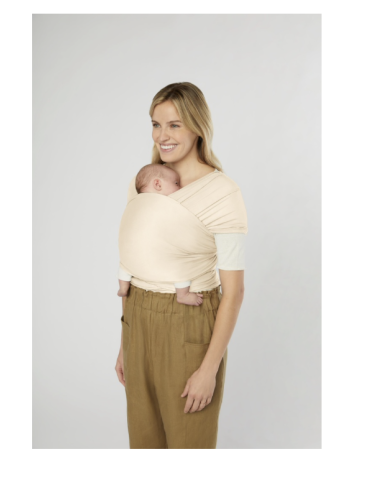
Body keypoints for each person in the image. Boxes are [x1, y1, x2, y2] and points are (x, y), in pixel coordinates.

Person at [115, 82, 248, 449]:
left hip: (188, 321)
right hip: (137, 318)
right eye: (156, 125)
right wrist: (125, 343)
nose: (163, 135)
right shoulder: (144, 183)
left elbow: (234, 292)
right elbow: (135, 259)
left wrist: (209, 369)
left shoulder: (222, 193)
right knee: (144, 444)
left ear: (198, 127)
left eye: (174, 125)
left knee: (189, 447)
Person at [117, 163, 204, 306]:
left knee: (125, 263)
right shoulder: (167, 205)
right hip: (160, 256)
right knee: (181, 265)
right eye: (176, 183)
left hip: (134, 260)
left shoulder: (136, 204)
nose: (180, 188)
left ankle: (123, 286)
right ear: (158, 184)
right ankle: (183, 294)